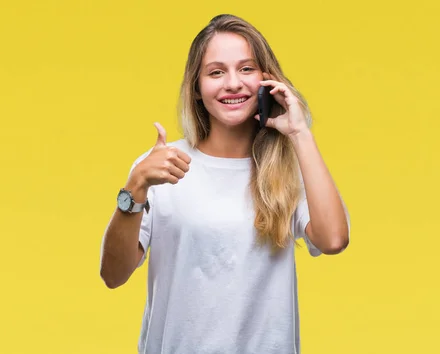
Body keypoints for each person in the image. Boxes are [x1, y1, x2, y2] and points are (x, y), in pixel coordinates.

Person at [99, 14, 350, 354]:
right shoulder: (161, 166)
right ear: (197, 89)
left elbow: (334, 239)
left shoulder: (288, 167)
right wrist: (135, 187)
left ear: (267, 79)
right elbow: (113, 275)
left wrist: (299, 131)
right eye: (216, 72)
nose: (233, 83)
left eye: (246, 69)